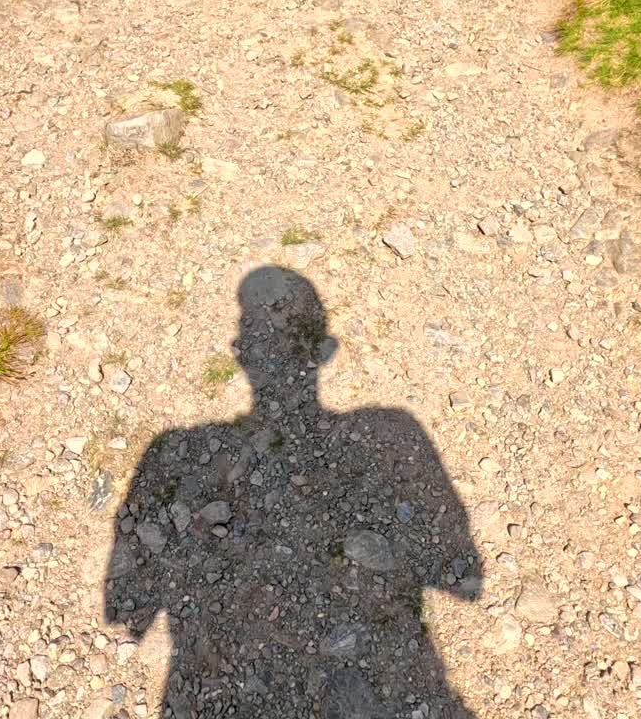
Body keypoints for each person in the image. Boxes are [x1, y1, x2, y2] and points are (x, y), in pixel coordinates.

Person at [105, 266, 482, 718]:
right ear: (323, 352)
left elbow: (125, 608)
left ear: (238, 353)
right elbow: (462, 578)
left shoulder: (175, 448)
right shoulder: (394, 431)